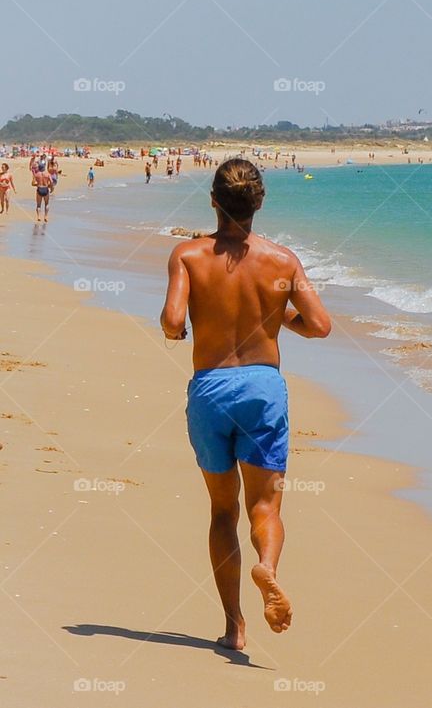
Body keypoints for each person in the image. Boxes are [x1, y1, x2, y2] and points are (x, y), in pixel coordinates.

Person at [160, 158, 331, 650]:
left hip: (211, 386)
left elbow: (173, 320)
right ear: (259, 203)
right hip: (262, 388)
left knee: (221, 511)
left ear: (213, 200)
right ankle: (267, 566)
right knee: (265, 504)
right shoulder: (282, 260)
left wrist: (182, 327)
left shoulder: (188, 255)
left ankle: (234, 627)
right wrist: (280, 319)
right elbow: (319, 325)